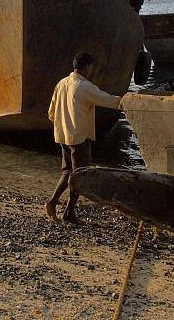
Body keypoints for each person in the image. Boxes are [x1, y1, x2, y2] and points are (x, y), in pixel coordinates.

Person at [45, 52, 122, 224]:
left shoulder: (62, 83)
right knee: (79, 176)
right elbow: (108, 100)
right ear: (87, 67)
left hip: (62, 136)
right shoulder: (84, 87)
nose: (92, 70)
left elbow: (51, 112)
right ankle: (67, 213)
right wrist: (127, 101)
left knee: (67, 172)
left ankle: (53, 204)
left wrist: (63, 124)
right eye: (91, 67)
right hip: (78, 138)